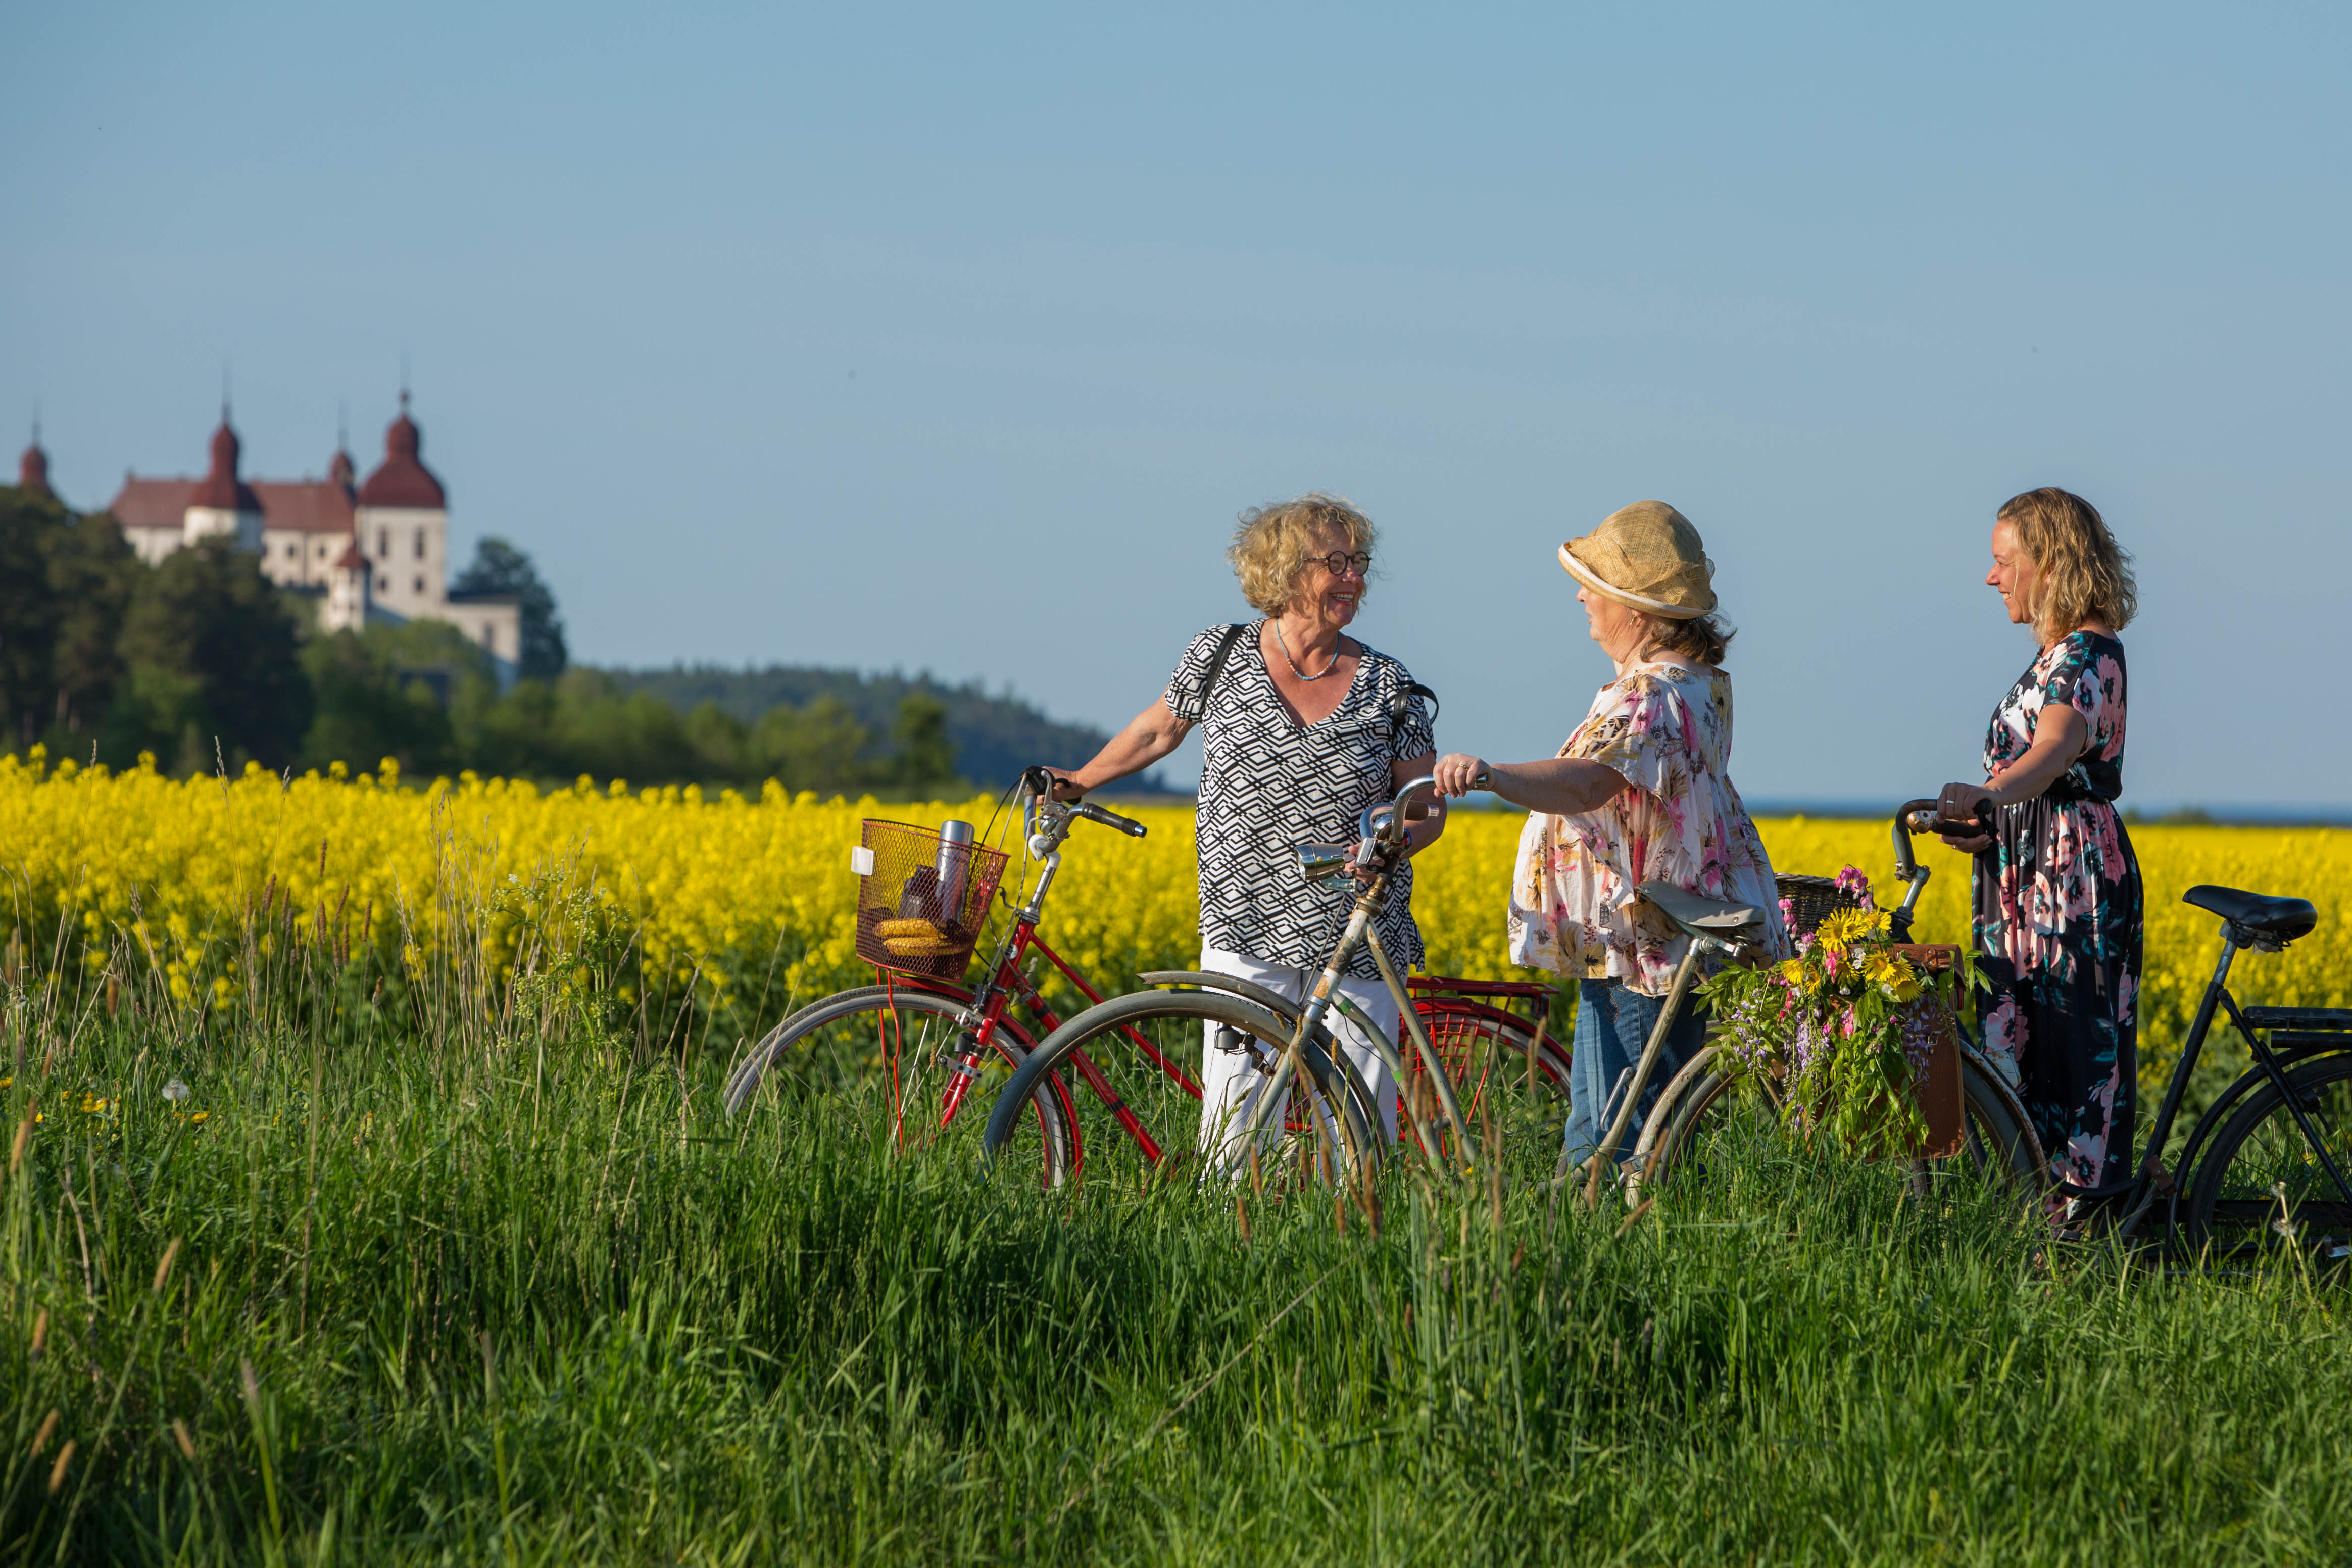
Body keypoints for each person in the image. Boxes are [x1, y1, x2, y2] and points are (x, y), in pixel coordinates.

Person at [1048, 493, 1441, 1166]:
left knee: (1361, 1133)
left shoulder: (1388, 684)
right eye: (1334, 563)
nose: (1353, 578)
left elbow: (1425, 804)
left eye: (1359, 562)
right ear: (1287, 572)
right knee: (1234, 1128)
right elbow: (1156, 730)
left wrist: (1392, 835)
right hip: (1245, 915)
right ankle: (1236, 1249)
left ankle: (1364, 1251)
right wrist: (1080, 780)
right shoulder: (1221, 653)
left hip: (1354, 925)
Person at [1433, 500, 1786, 1170]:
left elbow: (1591, 784)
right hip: (1676, 932)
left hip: (1639, 945)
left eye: (1595, 587)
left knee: (1609, 1134)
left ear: (1638, 611)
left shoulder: (1650, 694)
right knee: (1647, 1127)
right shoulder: (1699, 685)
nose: (1582, 597)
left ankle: (1593, 1261)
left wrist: (1494, 775)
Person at [1933, 487, 2142, 1204]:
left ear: (2049, 562)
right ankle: (2027, 1216)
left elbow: (2053, 749)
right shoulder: (2058, 655)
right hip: (2029, 871)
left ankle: (2077, 1229)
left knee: (2067, 1048)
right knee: (2023, 1046)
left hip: (2068, 880)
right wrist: (1983, 825)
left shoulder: (2087, 657)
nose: (1992, 578)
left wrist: (1995, 794)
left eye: (2004, 561)